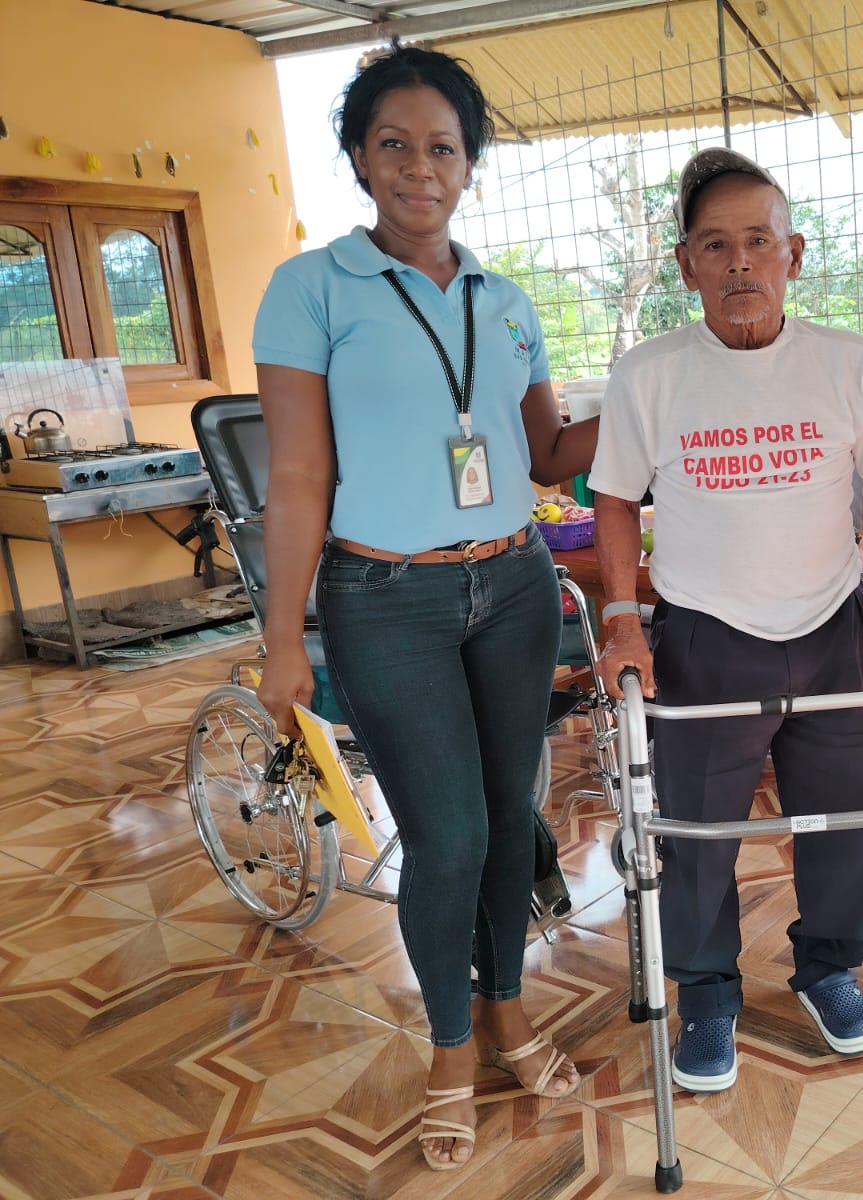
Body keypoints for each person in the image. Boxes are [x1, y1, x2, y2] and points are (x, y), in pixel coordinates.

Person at [251, 47, 597, 1170]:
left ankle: (508, 1012)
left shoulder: (506, 300)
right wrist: (281, 640)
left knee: (505, 821)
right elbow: (298, 474)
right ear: (359, 158)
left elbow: (547, 454)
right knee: (446, 838)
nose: (418, 168)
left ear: (469, 165)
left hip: (514, 586)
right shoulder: (311, 289)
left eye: (441, 147)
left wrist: (667, 395)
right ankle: (452, 1050)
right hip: (384, 597)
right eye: (393, 144)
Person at [588, 148, 863, 1093]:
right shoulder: (649, 374)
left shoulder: (845, 361)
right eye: (716, 245)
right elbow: (616, 500)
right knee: (697, 830)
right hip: (706, 637)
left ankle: (828, 970)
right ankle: (707, 992)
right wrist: (623, 619)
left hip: (828, 628)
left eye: (759, 240)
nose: (740, 262)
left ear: (795, 253)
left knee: (841, 817)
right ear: (686, 265)